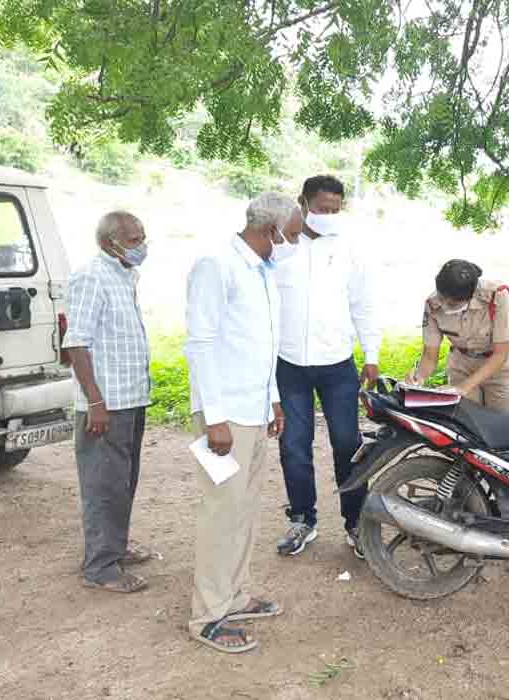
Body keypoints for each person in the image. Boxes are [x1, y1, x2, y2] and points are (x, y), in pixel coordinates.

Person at [184, 192, 291, 654]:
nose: (297, 239)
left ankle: (236, 594)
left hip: (254, 410)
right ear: (272, 231)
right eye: (294, 230)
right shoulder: (216, 264)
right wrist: (214, 418)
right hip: (225, 416)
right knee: (220, 513)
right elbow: (201, 343)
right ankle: (208, 615)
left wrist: (273, 399)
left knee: (244, 510)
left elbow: (259, 345)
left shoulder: (264, 271)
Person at [270, 175, 382, 559]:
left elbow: (364, 303)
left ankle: (356, 524)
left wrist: (371, 354)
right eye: (321, 208)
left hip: (337, 364)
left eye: (336, 209)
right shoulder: (280, 246)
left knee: (348, 446)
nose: (329, 216)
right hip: (289, 365)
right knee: (293, 446)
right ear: (302, 203)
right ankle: (303, 518)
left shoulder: (351, 248)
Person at [64, 211, 156, 594]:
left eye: (142, 237)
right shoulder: (91, 276)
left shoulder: (124, 274)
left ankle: (114, 547)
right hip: (106, 403)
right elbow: (77, 342)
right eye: (134, 240)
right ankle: (101, 567)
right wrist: (95, 401)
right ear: (109, 242)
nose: (142, 246)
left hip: (131, 397)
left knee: (122, 481)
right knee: (104, 484)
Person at [406, 259, 509, 412]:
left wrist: (463, 388)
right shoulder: (432, 304)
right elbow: (429, 356)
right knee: (464, 425)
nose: (444, 305)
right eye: (442, 297)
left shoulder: (496, 295)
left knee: (507, 425)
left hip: (500, 368)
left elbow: (500, 354)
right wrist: (418, 377)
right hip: (461, 365)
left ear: (471, 295)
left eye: (453, 304)